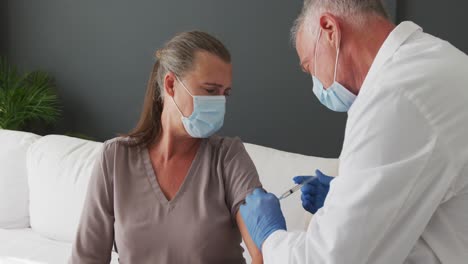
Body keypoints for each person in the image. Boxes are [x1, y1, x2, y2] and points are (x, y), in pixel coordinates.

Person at [240, 0, 468, 263]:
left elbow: (327, 259)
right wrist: (346, 197)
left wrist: (269, 235)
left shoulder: (394, 96)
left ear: (329, 30)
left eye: (309, 66)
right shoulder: (438, 60)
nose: (316, 84)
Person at [69, 31, 263, 264]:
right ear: (170, 84)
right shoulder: (115, 158)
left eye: (225, 94)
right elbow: (86, 258)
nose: (219, 103)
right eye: (210, 91)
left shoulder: (228, 157)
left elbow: (262, 252)